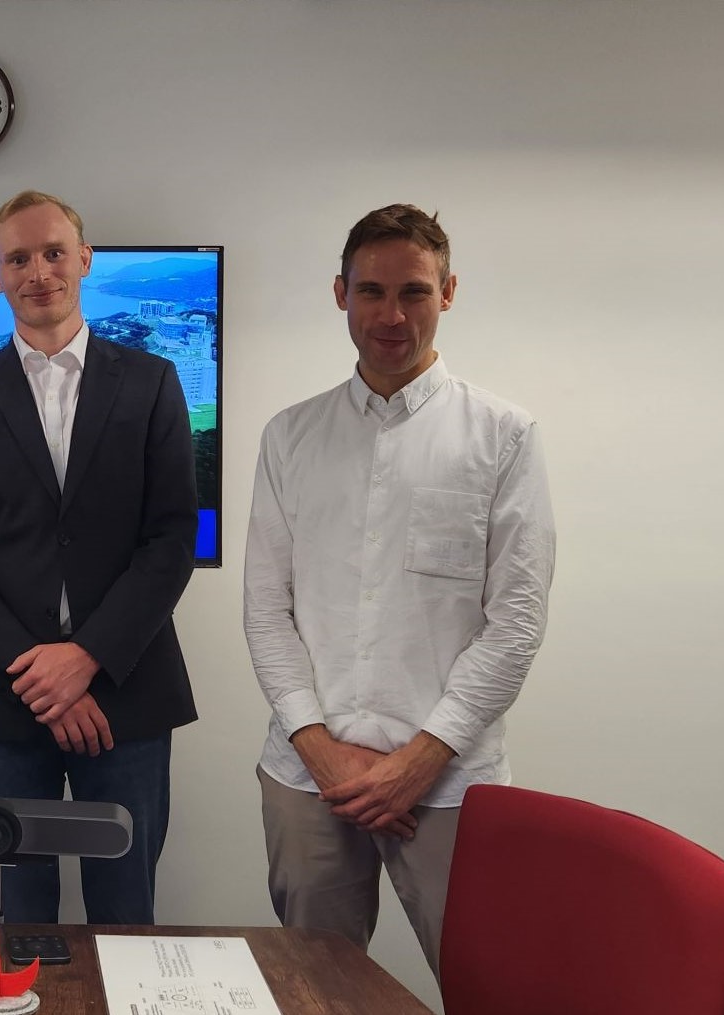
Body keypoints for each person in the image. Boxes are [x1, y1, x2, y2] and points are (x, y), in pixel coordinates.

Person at [243, 203, 555, 977]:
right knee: (314, 988)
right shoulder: (290, 435)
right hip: (308, 778)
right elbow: (265, 609)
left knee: (483, 984)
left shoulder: (503, 435)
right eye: (371, 291)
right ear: (340, 292)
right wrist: (318, 747)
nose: (391, 314)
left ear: (448, 292)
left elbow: (516, 621)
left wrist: (422, 757)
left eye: (413, 292)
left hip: (448, 783)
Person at [0, 190, 199, 925]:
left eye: (51, 253)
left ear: (84, 259)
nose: (38, 271)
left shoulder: (152, 382)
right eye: (18, 258)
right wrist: (36, 667)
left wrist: (87, 659)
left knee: (125, 906)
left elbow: (172, 540)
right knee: (13, 912)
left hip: (127, 691)